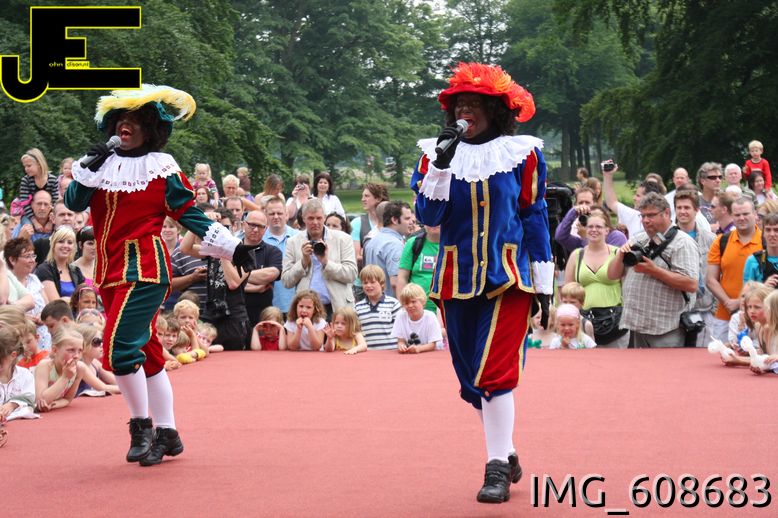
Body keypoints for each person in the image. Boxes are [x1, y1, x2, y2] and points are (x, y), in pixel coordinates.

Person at [63, 85, 255, 466]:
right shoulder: (100, 167)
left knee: (118, 349)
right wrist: (89, 164)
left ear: (150, 128)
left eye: (134, 120)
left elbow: (189, 214)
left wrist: (232, 247)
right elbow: (73, 202)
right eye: (120, 119)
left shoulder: (161, 168)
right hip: (109, 273)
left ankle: (141, 426)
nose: (125, 125)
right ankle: (168, 433)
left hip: (145, 270)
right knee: (149, 353)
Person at [411, 62, 552, 502]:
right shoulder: (434, 155)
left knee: (495, 372)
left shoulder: (522, 154)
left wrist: (544, 281)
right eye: (458, 104)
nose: (464, 111)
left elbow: (533, 214)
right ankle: (506, 450)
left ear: (495, 111)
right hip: (454, 279)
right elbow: (429, 216)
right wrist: (441, 166)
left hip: (507, 278)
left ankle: (495, 468)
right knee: (471, 381)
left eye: (474, 103)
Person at [607, 193, 699, 347]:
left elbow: (691, 284)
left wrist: (654, 270)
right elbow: (612, 275)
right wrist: (621, 254)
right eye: (642, 216)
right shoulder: (638, 239)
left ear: (666, 213)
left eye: (650, 215)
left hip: (666, 328)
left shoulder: (682, 243)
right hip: (637, 325)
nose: (645, 220)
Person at [282, 198, 357, 317]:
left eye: (319, 218)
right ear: (303, 218)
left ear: (325, 218)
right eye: (311, 218)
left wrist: (326, 263)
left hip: (337, 307)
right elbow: (286, 281)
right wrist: (303, 262)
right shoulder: (293, 242)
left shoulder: (343, 239)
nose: (315, 222)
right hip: (307, 309)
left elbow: (351, 274)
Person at [563, 210, 627, 347]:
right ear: (585, 230)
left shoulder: (618, 253)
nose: (594, 230)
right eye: (590, 226)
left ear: (607, 230)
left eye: (598, 227)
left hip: (615, 322)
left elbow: (627, 287)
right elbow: (567, 291)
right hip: (583, 322)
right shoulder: (577, 255)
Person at [706, 197, 763, 342]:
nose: (741, 218)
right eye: (737, 215)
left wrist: (740, 302)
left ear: (755, 214)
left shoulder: (766, 242)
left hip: (760, 317)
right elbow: (711, 279)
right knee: (722, 353)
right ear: (731, 216)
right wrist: (728, 302)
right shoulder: (721, 241)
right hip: (725, 315)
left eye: (746, 214)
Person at [673, 190, 717, 347]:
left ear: (696, 210)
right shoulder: (667, 238)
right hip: (676, 310)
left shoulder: (711, 239)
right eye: (679, 208)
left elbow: (718, 275)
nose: (682, 211)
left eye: (687, 207)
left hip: (704, 309)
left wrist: (714, 308)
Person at [240, 210, 282, 334]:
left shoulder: (273, 252)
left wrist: (238, 276)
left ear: (266, 228)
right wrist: (256, 287)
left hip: (263, 318)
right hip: (236, 316)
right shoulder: (231, 250)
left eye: (260, 226)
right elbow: (227, 282)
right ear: (243, 224)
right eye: (252, 225)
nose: (255, 229)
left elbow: (271, 274)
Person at [363, 201, 414, 297]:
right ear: (394, 220)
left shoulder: (373, 240)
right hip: (391, 302)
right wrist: (403, 304)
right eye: (407, 219)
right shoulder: (394, 245)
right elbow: (396, 283)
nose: (411, 222)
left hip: (374, 301)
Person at [34, 325, 85, 412]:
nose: (76, 356)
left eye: (80, 350)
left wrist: (54, 405)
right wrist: (65, 377)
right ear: (55, 350)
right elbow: (40, 401)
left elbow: (67, 399)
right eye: (71, 350)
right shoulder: (45, 366)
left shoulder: (79, 369)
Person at [263, 196, 299, 314]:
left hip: (296, 305)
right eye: (272, 214)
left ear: (286, 214)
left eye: (279, 213)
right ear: (265, 215)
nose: (276, 217)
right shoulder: (259, 240)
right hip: (268, 306)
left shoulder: (299, 237)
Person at [354, 265, 402, 350]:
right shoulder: (357, 308)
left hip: (391, 352)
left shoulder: (393, 304)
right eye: (365, 283)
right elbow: (356, 332)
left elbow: (401, 329)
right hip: (368, 353)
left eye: (372, 282)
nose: (368, 285)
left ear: (382, 283)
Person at [34, 226, 85, 303]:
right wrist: (75, 302)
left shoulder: (76, 271)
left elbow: (85, 299)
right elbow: (55, 303)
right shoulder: (44, 269)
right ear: (53, 244)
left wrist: (66, 300)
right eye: (61, 241)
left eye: (70, 242)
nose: (65, 245)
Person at [397, 224, 441, 311]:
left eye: (438, 219)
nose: (434, 223)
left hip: (445, 311)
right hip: (416, 310)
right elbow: (402, 277)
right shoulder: (413, 243)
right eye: (429, 219)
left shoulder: (454, 244)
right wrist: (403, 308)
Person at [391, 283, 442, 354]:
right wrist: (401, 346)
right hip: (410, 355)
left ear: (422, 301)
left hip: (429, 354)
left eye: (413, 301)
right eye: (406, 303)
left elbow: (433, 344)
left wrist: (419, 348)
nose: (410, 305)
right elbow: (401, 341)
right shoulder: (400, 316)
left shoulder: (430, 316)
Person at [0, 326, 36, 424]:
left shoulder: (25, 375)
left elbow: (30, 400)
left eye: (0, 362)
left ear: (13, 355)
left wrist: (13, 404)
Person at [18, 148, 59, 221]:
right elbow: (24, 203)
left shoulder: (53, 180)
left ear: (39, 164)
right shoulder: (26, 181)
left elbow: (55, 202)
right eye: (24, 166)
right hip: (30, 215)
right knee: (25, 225)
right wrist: (34, 221)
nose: (26, 169)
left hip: (50, 216)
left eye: (29, 166)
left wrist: (50, 222)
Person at [743, 212, 778, 285]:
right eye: (768, 230)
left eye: (776, 230)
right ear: (763, 233)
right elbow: (746, 291)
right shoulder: (753, 260)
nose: (772, 234)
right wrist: (763, 287)